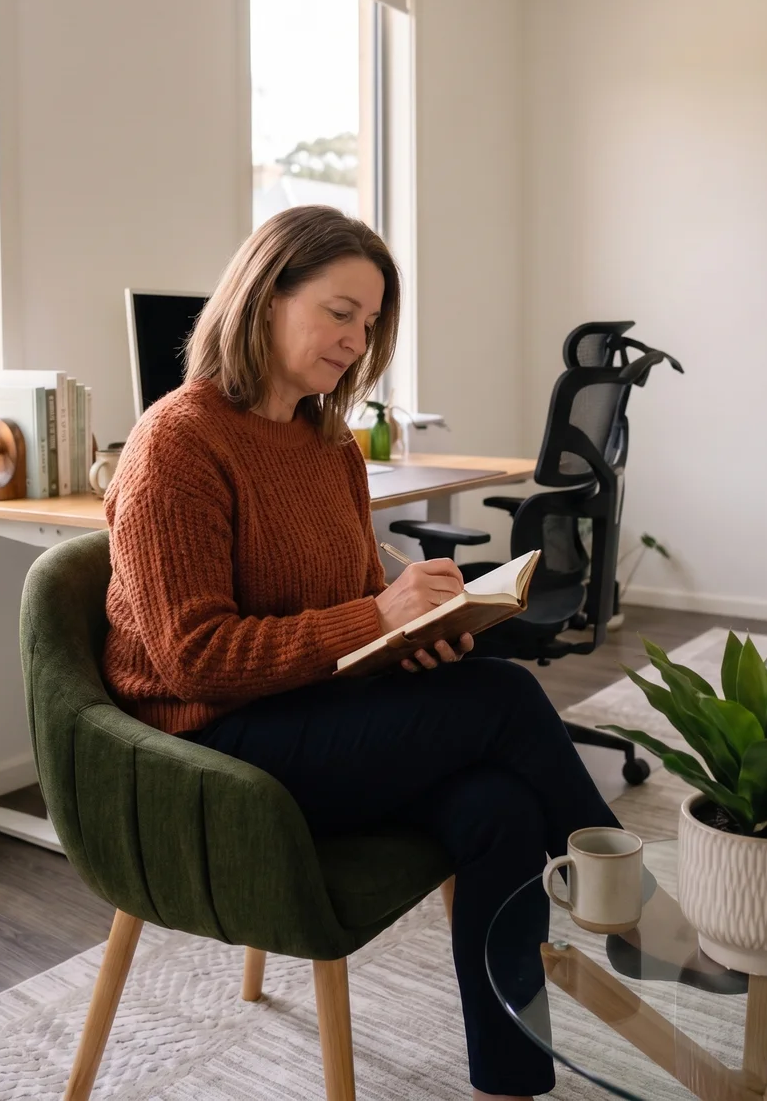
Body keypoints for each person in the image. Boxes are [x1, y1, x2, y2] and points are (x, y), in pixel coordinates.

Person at [102, 204, 620, 1100]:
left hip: (310, 712)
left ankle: (511, 1084)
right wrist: (376, 618)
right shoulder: (176, 442)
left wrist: (410, 639)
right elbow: (194, 657)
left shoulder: (327, 441)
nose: (358, 339)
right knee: (503, 701)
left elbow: (345, 605)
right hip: (212, 748)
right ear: (266, 295)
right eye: (340, 311)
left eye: (371, 321)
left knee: (496, 808)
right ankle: (625, 900)